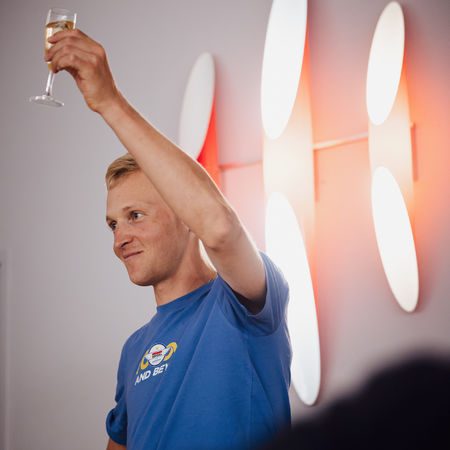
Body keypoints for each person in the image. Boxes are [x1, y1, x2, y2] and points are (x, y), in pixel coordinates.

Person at [45, 29, 292, 449]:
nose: (120, 239)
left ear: (186, 217)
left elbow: (219, 227)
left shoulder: (246, 302)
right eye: (113, 224)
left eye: (135, 216)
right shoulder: (134, 350)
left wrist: (109, 102)